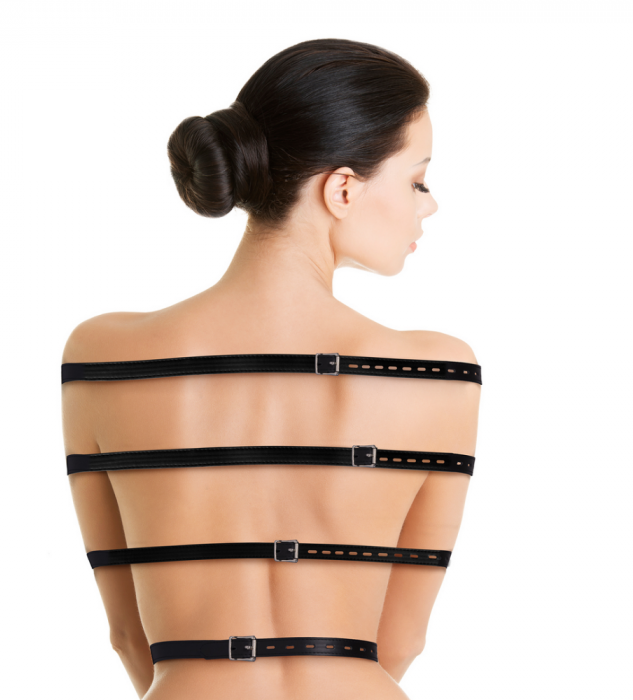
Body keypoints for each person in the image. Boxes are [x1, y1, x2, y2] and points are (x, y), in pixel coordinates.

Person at [61, 37, 482, 700]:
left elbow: (129, 639)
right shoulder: (434, 373)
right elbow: (401, 644)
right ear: (342, 188)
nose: (427, 205)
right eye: (417, 180)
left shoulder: (104, 355)